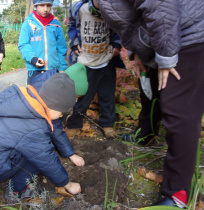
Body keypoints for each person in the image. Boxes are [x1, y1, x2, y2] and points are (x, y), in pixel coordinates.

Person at [98, 0, 204, 208]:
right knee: (149, 88)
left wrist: (166, 56)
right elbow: (131, 20)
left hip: (187, 35)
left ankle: (179, 194)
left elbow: (160, 6)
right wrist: (136, 52)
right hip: (159, 39)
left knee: (178, 109)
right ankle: (146, 135)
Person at [0, 73, 82, 199]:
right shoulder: (34, 126)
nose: (61, 116)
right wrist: (67, 184)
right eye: (62, 112)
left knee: (34, 150)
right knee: (36, 160)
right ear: (52, 107)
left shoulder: (24, 101)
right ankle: (16, 190)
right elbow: (46, 160)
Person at [65, 0, 123, 139]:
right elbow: (72, 25)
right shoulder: (79, 8)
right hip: (86, 62)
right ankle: (74, 125)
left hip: (106, 60)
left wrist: (116, 44)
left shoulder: (113, 9)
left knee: (107, 96)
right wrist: (74, 44)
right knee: (83, 98)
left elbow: (119, 28)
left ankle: (108, 125)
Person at [31, 63, 88, 167]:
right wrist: (70, 154)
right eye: (75, 96)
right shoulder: (48, 94)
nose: (75, 100)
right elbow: (55, 126)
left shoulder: (56, 82)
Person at [18, 0, 68, 85]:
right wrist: (33, 59)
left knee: (53, 97)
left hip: (53, 70)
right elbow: (23, 45)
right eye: (42, 5)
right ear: (35, 6)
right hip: (35, 70)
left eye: (48, 5)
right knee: (34, 97)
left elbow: (61, 47)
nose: (45, 9)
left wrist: (62, 67)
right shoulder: (28, 24)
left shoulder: (56, 24)